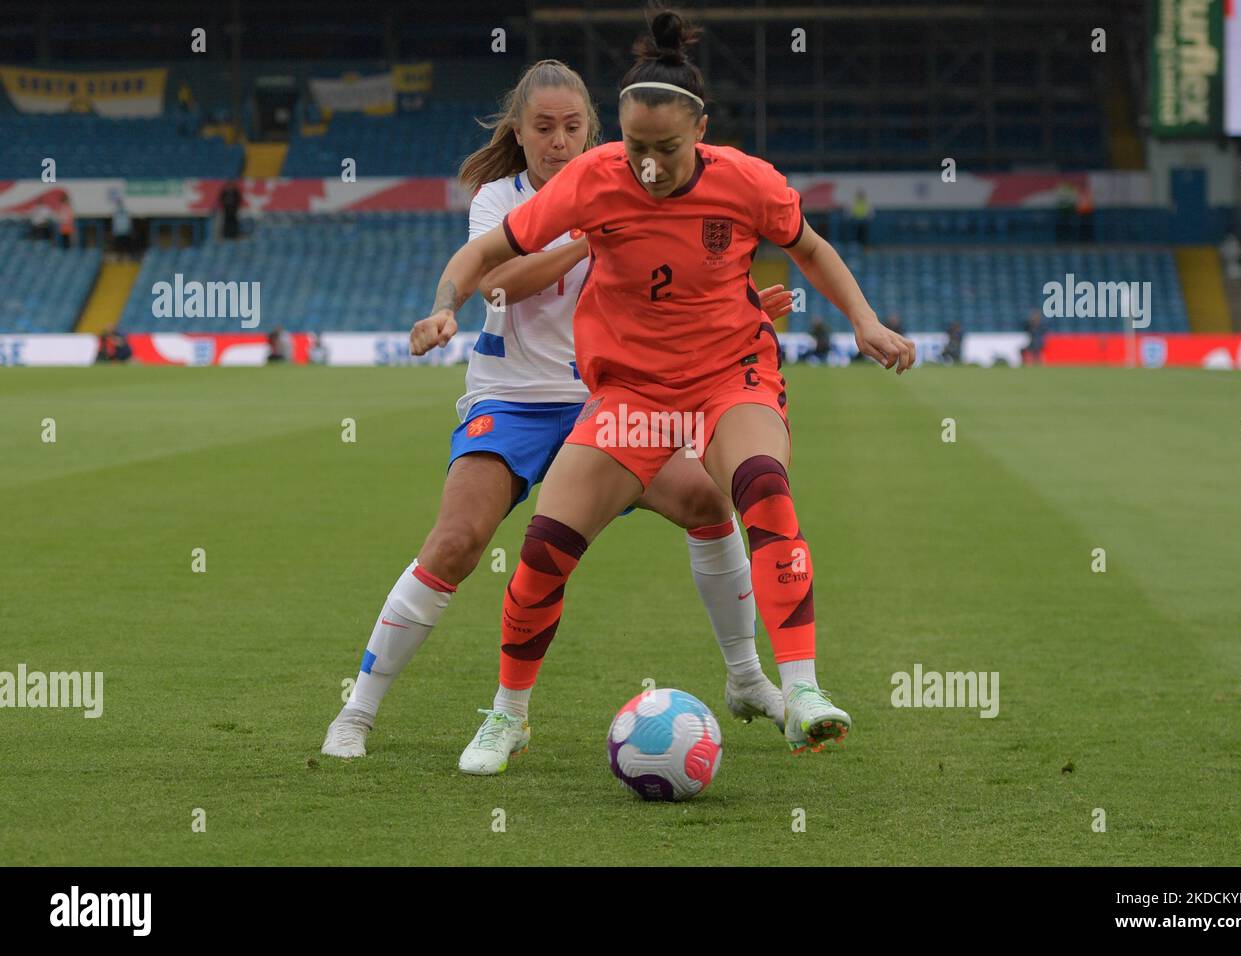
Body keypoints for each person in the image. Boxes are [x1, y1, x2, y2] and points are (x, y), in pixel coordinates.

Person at [408, 8, 914, 758]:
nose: (647, 165)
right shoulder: (593, 178)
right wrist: (444, 306)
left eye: (667, 150)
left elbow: (809, 248)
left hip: (727, 377)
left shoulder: (748, 182)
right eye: (636, 146)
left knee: (763, 487)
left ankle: (801, 686)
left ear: (700, 129)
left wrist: (865, 321)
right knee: (546, 547)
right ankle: (509, 716)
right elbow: (484, 254)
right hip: (628, 396)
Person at [322, 57, 794, 771]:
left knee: (705, 498)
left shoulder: (630, 186)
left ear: (593, 130)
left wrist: (743, 308)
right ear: (520, 130)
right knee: (455, 542)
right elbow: (499, 278)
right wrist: (589, 229)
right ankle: (357, 711)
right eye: (543, 127)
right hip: (511, 399)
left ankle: (747, 677)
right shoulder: (501, 197)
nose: (559, 141)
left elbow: (675, 291)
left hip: (608, 400)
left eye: (573, 127)